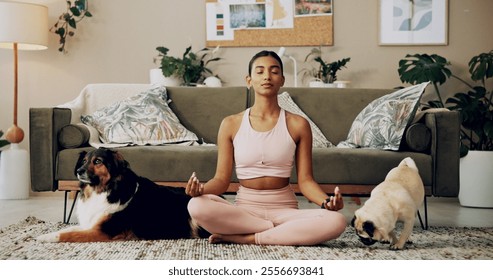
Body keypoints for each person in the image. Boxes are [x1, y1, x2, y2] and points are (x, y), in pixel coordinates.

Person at [186, 50, 346, 246]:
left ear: (282, 80)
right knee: (197, 205)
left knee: (337, 221)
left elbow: (305, 181)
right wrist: (201, 190)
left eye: (274, 71)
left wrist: (326, 202)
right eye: (260, 71)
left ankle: (251, 237)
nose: (267, 77)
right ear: (249, 80)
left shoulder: (298, 124)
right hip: (245, 213)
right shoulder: (230, 124)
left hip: (285, 210)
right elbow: (221, 181)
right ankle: (279, 232)